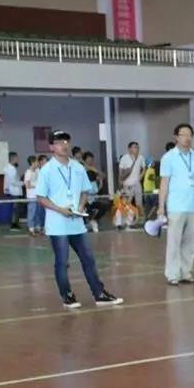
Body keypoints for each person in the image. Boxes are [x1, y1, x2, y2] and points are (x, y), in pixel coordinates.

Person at [35, 130, 123, 309]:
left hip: (77, 223)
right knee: (62, 261)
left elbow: (85, 190)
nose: (64, 145)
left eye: (66, 141)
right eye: (59, 142)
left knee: (88, 259)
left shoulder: (77, 167)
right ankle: (67, 295)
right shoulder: (47, 170)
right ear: (52, 147)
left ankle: (99, 293)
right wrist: (60, 209)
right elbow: (41, 198)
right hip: (58, 225)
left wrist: (81, 207)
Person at [158, 123, 194, 285]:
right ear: (176, 137)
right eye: (183, 135)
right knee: (174, 241)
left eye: (189, 135)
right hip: (176, 206)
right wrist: (161, 206)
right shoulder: (168, 158)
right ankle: (172, 274)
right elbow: (164, 183)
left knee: (193, 242)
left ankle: (185, 271)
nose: (187, 138)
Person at [119, 142, 144, 216]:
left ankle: (141, 219)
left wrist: (140, 178)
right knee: (127, 203)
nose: (137, 149)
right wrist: (120, 182)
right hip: (127, 184)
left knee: (139, 203)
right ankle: (127, 221)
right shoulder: (124, 157)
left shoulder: (141, 157)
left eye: (137, 147)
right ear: (129, 149)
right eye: (135, 147)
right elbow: (120, 171)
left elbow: (144, 168)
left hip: (137, 184)